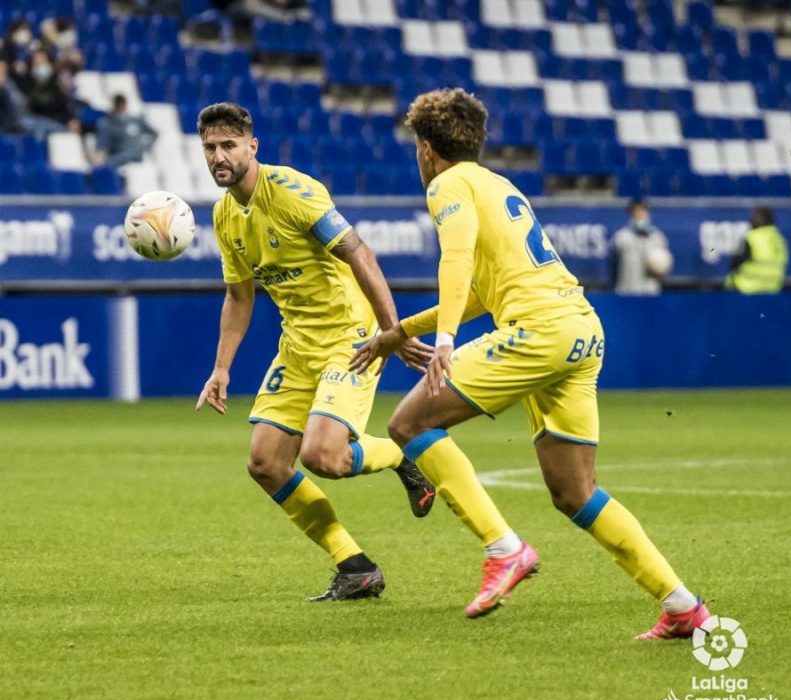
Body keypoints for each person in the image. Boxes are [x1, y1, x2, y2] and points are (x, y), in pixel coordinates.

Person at [350, 88, 709, 636]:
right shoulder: (497, 184)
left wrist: (444, 340)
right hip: (582, 330)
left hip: (538, 332)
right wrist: (397, 333)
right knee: (574, 493)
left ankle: (504, 549)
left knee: (408, 423)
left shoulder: (448, 183)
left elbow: (457, 259)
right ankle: (684, 607)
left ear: (425, 147)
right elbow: (481, 295)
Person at [195, 102, 436, 602]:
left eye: (228, 146)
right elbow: (240, 296)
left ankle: (403, 457)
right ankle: (355, 567)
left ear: (251, 146)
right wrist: (221, 368)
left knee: (323, 456)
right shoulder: (224, 215)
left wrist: (390, 332)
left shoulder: (290, 191)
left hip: (350, 337)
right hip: (299, 345)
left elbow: (360, 253)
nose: (219, 156)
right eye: (210, 148)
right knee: (265, 463)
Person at [610, 199, 673, 295]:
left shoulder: (657, 238)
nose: (639, 215)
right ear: (630, 214)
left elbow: (665, 269)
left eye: (643, 211)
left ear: (648, 213)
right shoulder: (620, 237)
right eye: (636, 211)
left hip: (651, 293)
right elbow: (612, 267)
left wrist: (660, 270)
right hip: (626, 292)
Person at [725, 205, 788, 294]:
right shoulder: (779, 238)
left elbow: (735, 263)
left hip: (748, 288)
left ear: (763, 219)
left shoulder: (752, 238)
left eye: (755, 216)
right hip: (773, 289)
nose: (750, 220)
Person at [93, 94, 158, 169]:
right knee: (107, 165)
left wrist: (145, 145)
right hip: (119, 156)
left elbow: (154, 133)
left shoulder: (135, 120)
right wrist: (100, 155)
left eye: (122, 104)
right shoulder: (107, 123)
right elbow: (102, 145)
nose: (121, 107)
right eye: (118, 104)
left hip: (136, 156)